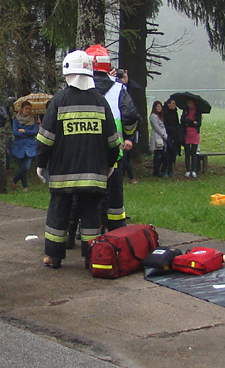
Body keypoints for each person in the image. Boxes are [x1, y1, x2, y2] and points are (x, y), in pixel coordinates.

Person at [36, 50, 121, 269]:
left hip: (62, 174)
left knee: (58, 214)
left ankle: (53, 257)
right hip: (93, 174)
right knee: (92, 218)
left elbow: (45, 138)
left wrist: (40, 163)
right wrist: (110, 163)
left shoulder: (59, 101)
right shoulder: (100, 101)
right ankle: (92, 258)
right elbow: (113, 141)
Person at [85, 44, 140, 232]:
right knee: (114, 190)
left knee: (87, 192)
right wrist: (129, 135)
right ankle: (116, 228)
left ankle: (87, 227)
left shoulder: (77, 89)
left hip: (85, 153)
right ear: (108, 67)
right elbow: (131, 115)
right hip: (114, 151)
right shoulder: (118, 90)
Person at [11, 100, 39, 191]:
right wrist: (27, 134)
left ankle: (14, 180)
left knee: (26, 167)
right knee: (21, 166)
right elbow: (15, 132)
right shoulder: (16, 120)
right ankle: (25, 186)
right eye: (26, 108)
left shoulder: (33, 120)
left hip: (30, 146)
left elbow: (35, 131)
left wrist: (24, 131)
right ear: (22, 109)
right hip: (18, 146)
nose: (28, 110)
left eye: (29, 109)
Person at [181, 98, 202, 178]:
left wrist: (189, 122)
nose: (189, 104)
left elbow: (198, 123)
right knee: (187, 152)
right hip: (187, 133)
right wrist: (191, 122)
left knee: (194, 152)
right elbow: (183, 120)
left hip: (195, 134)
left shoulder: (197, 111)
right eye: (188, 103)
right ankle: (187, 170)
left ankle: (193, 170)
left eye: (190, 102)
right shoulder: (186, 111)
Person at [161, 97, 182, 177]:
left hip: (174, 135)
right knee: (167, 153)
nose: (174, 105)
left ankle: (170, 169)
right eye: (173, 104)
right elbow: (165, 123)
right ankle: (164, 169)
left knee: (173, 153)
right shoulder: (165, 112)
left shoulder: (174, 112)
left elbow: (176, 123)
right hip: (168, 134)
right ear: (169, 104)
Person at [149, 101, 168, 178]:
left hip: (162, 138)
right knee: (157, 155)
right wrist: (163, 135)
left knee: (164, 155)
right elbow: (157, 127)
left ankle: (157, 169)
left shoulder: (159, 116)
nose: (159, 108)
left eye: (160, 106)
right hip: (157, 138)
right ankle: (156, 171)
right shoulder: (153, 116)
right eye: (158, 106)